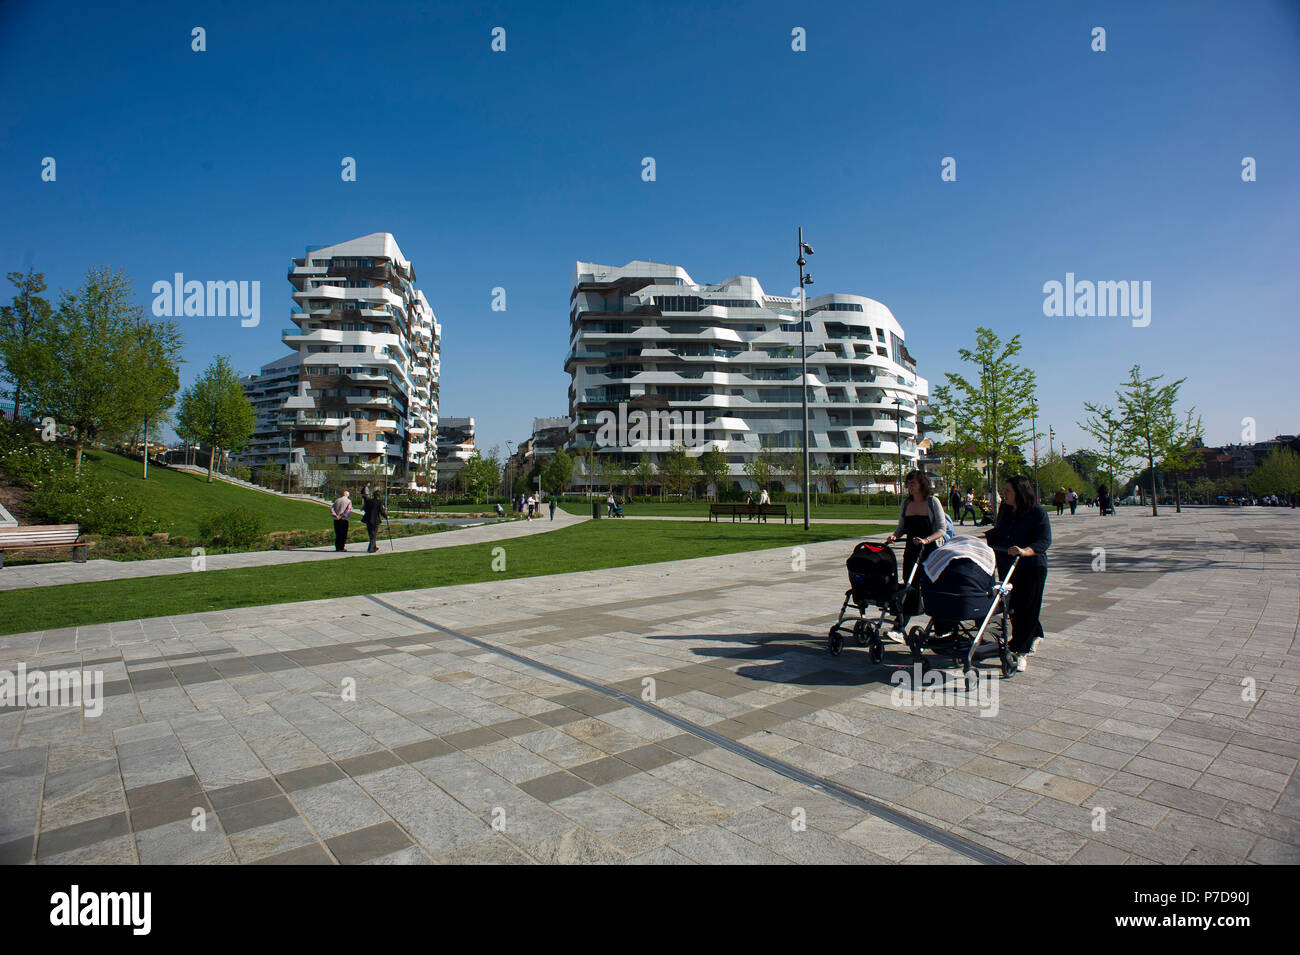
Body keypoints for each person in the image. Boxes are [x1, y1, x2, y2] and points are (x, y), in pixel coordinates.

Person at [984, 475, 1051, 672]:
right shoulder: (1005, 510)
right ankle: (1035, 632)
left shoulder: (1037, 513)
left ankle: (1020, 651)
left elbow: (1044, 541)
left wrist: (1025, 551)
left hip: (1031, 567)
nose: (1003, 495)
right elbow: (1001, 532)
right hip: (1007, 564)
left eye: (1007, 492)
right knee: (1013, 607)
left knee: (1027, 608)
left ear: (1020, 493)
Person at [885, 470, 948, 638]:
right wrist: (894, 536)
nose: (910, 486)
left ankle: (941, 628)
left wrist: (927, 540)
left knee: (932, 590)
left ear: (922, 484)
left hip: (931, 552)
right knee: (908, 588)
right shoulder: (906, 503)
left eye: (913, 483)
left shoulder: (933, 502)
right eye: (908, 483)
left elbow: (942, 529)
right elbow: (901, 527)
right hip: (912, 551)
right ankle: (899, 627)